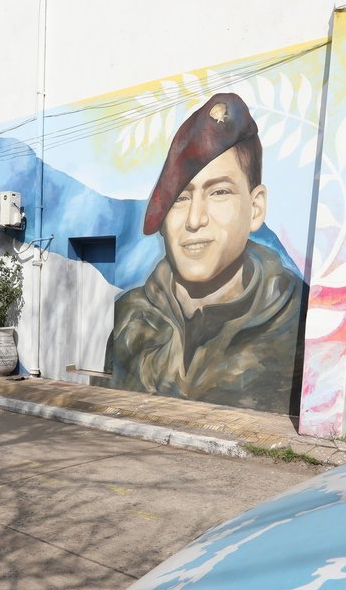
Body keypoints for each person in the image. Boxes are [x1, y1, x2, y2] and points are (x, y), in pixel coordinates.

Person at [105, 93, 306, 414]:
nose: (195, 219)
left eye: (219, 192)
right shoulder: (131, 315)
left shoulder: (295, 316)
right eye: (181, 199)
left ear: (255, 208)